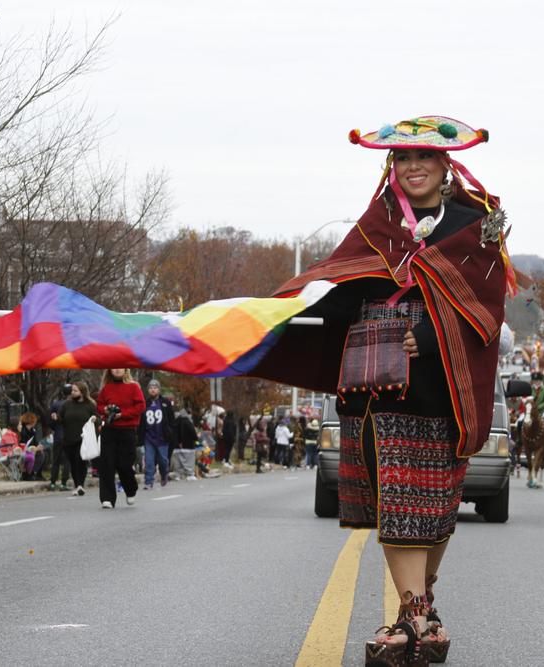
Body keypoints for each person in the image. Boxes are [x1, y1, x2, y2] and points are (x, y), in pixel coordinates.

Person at [250, 117, 509, 665]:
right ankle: (416, 615)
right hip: (378, 385)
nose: (412, 167)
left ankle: (418, 610)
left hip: (444, 383)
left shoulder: (475, 222)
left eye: (424, 158)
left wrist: (430, 338)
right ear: (392, 168)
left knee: (437, 503)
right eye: (402, 159)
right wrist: (279, 313)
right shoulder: (377, 221)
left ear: (445, 166)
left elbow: (486, 307)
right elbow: (344, 287)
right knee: (397, 500)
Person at [95, 369, 145, 508]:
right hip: (109, 429)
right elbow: (99, 405)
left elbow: (140, 406)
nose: (117, 370)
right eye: (114, 367)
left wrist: (122, 414)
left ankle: (130, 489)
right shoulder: (106, 388)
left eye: (120, 367)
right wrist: (105, 410)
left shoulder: (133, 387)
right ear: (110, 371)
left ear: (125, 370)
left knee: (124, 464)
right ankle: (107, 498)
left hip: (127, 430)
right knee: (107, 464)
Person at [58, 381, 95, 496]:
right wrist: (56, 418)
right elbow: (61, 418)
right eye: (72, 390)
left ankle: (80, 485)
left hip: (82, 439)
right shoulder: (66, 405)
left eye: (75, 391)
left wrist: (94, 419)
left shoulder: (90, 405)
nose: (72, 393)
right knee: (73, 463)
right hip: (68, 439)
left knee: (80, 461)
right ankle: (76, 484)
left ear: (82, 392)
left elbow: (97, 417)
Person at [139, 379, 175, 490]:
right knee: (149, 461)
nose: (153, 390)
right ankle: (149, 481)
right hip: (149, 437)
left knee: (163, 461)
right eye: (150, 388)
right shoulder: (145, 403)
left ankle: (164, 473)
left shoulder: (165, 403)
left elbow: (171, 419)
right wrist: (140, 436)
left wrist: (170, 432)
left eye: (155, 388)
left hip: (162, 437)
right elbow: (141, 421)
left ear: (159, 390)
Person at [48, 385, 72, 491]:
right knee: (67, 460)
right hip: (68, 435)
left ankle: (52, 482)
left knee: (56, 460)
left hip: (57, 435)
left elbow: (50, 422)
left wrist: (55, 428)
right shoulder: (72, 405)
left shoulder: (55, 404)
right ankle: (63, 483)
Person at [171, 408, 199, 481]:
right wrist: (196, 438)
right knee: (189, 461)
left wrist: (177, 442)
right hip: (188, 445)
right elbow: (193, 433)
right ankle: (190, 474)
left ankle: (177, 475)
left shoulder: (175, 422)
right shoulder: (187, 422)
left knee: (178, 461)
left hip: (177, 446)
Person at [18, 412, 46, 481]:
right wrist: (34, 448)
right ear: (31, 422)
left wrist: (38, 446)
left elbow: (35, 442)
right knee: (38, 455)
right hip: (25, 450)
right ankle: (29, 474)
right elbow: (23, 443)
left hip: (32, 449)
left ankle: (38, 473)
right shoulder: (23, 431)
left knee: (43, 453)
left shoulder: (33, 431)